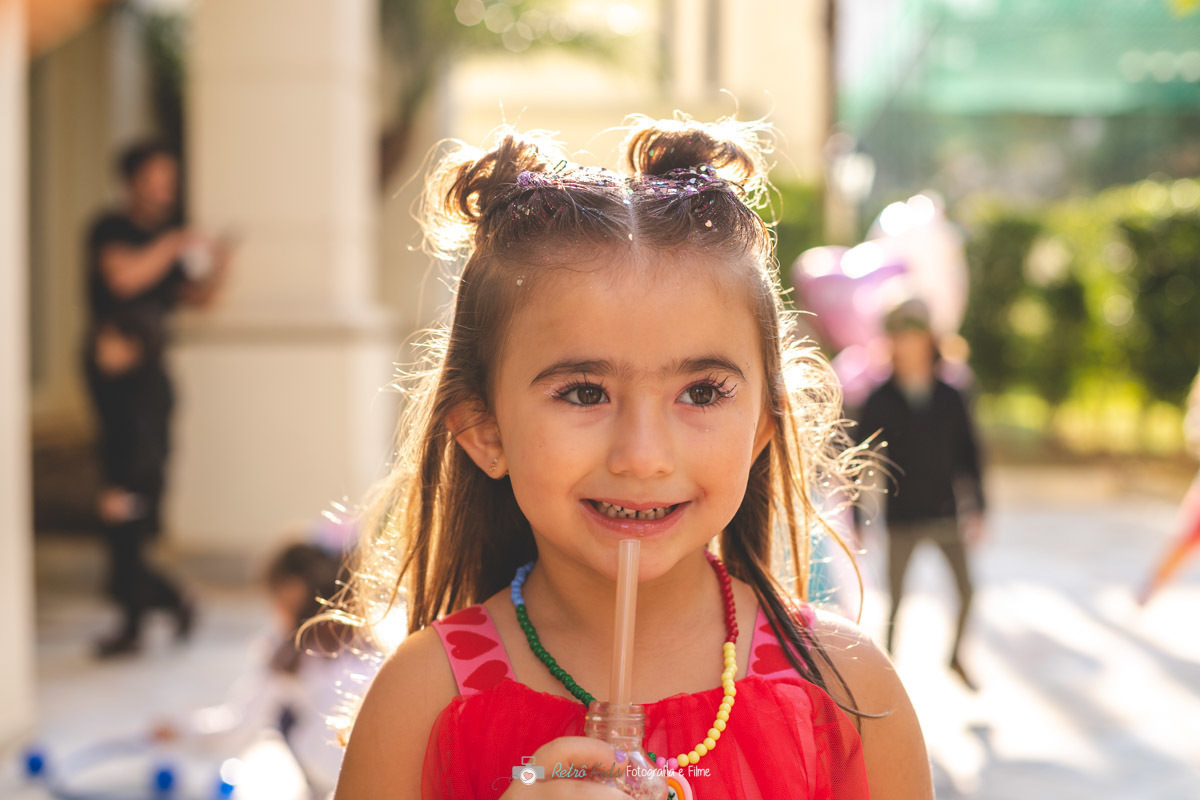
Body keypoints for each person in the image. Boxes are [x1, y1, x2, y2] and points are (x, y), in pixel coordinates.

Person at [333, 116, 933, 800]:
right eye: (584, 392)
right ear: (486, 431)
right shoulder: (422, 698)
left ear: (764, 425)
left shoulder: (846, 689)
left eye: (702, 392)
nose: (643, 456)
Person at [82, 140, 234, 658]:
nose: (164, 187)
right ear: (132, 180)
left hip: (150, 387)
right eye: (156, 176)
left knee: (137, 496)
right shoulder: (112, 229)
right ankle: (158, 604)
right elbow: (123, 277)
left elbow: (199, 299)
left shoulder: (164, 244)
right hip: (116, 390)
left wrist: (219, 265)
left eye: (170, 177)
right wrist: (174, 244)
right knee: (120, 496)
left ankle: (153, 604)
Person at [853, 298, 986, 691]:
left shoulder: (951, 395)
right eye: (898, 336)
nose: (906, 344)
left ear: (930, 338)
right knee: (894, 604)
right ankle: (887, 681)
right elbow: (859, 462)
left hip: (946, 513)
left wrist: (978, 507)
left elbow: (970, 454)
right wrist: (858, 517)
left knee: (967, 592)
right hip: (902, 517)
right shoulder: (879, 400)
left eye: (913, 335)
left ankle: (956, 657)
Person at [152, 542, 351, 799]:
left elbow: (238, 727)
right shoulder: (370, 642)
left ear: (290, 591)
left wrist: (178, 729)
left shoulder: (290, 653)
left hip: (332, 784)